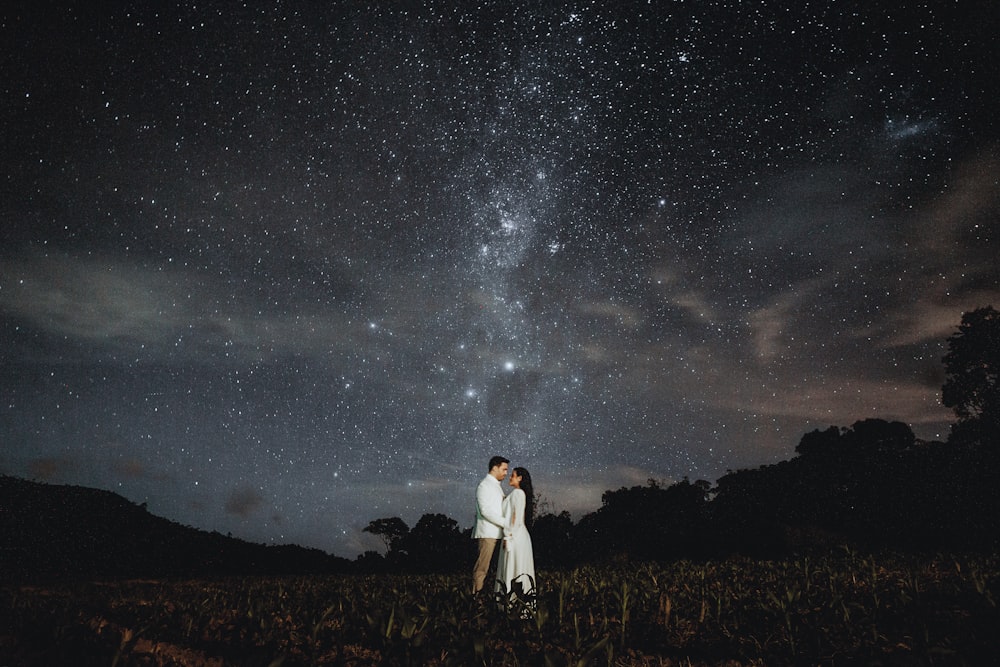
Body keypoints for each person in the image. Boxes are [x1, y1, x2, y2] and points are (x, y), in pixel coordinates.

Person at [496, 466, 536, 603]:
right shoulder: (516, 494)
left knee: (513, 568)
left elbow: (515, 518)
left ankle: (513, 606)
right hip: (517, 535)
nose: (510, 477)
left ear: (520, 478)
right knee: (515, 568)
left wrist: (508, 536)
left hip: (515, 536)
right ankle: (518, 606)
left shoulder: (518, 493)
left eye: (512, 475)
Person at [472, 455, 509, 594]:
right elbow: (485, 511)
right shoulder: (484, 485)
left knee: (495, 570)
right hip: (488, 533)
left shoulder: (497, 486)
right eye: (504, 469)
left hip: (499, 533)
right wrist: (505, 523)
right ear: (495, 468)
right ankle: (476, 600)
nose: (506, 473)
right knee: (482, 569)